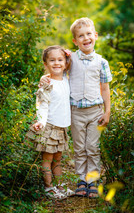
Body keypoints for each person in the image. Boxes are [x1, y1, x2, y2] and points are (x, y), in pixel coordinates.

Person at [40, 18, 112, 198]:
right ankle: (81, 179)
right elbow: (57, 69)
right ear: (75, 41)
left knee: (93, 146)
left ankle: (93, 180)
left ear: (95, 36)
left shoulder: (102, 62)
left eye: (89, 34)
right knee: (79, 147)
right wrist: (45, 77)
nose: (85, 38)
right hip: (76, 112)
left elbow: (105, 88)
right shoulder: (70, 59)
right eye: (81, 36)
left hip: (95, 111)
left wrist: (107, 110)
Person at [26, 45, 74, 199]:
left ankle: (59, 186)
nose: (56, 63)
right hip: (49, 127)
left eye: (60, 60)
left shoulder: (67, 79)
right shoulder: (46, 84)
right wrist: (41, 121)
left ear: (65, 62)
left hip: (62, 127)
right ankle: (49, 187)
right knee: (48, 159)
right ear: (45, 64)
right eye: (52, 60)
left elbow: (73, 64)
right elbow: (42, 105)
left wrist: (69, 55)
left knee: (58, 159)